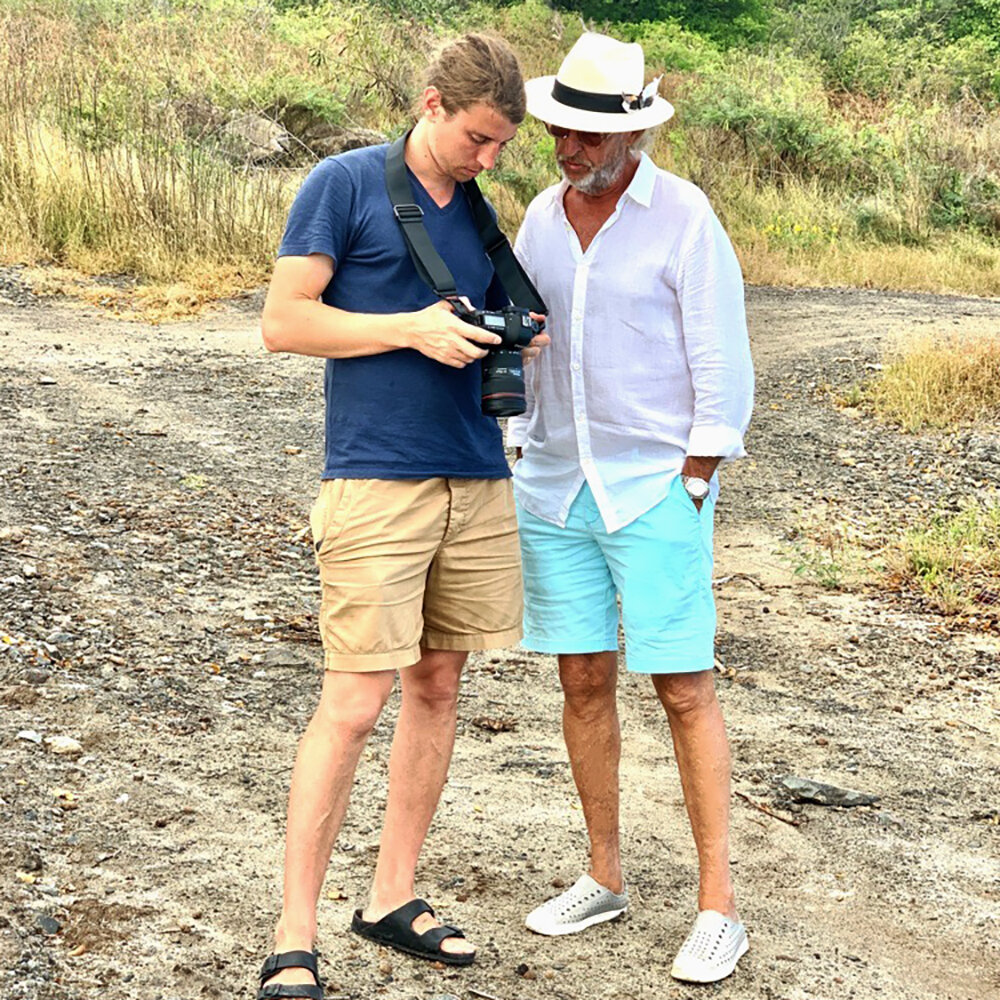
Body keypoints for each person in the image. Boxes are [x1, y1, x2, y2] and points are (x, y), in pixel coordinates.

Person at [256, 34, 547, 1000]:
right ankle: (293, 935)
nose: (489, 159)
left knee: (436, 689)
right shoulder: (342, 185)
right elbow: (285, 322)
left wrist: (514, 334)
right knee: (353, 702)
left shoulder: (479, 204)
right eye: (477, 138)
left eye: (502, 144)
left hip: (476, 473)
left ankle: (392, 896)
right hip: (378, 479)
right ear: (430, 106)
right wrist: (410, 329)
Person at [508, 32, 755, 984]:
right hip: (557, 483)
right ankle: (604, 877)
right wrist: (520, 443)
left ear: (630, 134)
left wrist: (695, 478)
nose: (566, 149)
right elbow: (527, 338)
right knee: (580, 681)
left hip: (655, 485)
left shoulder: (686, 218)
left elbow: (721, 363)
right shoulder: (539, 214)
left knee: (684, 687)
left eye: (582, 135)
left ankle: (718, 908)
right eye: (557, 132)